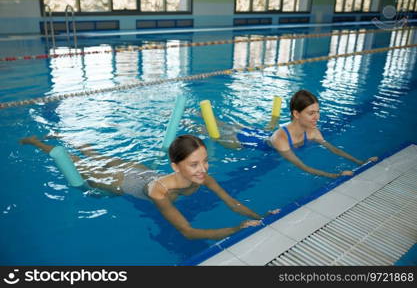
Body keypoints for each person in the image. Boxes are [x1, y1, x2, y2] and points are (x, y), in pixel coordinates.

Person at [20, 134, 279, 240]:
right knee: (80, 166)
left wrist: (261, 217)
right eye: (194, 165)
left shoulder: (203, 177)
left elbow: (231, 202)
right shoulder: (160, 192)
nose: (202, 170)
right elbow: (187, 231)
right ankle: (39, 143)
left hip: (139, 169)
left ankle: (73, 138)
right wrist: (236, 229)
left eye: (205, 162)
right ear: (176, 166)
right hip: (122, 183)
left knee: (97, 155)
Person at [206, 90, 378, 179]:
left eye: (318, 112)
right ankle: (196, 123)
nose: (317, 117)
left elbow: (334, 150)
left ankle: (218, 122)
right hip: (245, 142)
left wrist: (360, 162)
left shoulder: (313, 131)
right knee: (215, 135)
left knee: (231, 126)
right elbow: (302, 167)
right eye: (311, 113)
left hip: (262, 134)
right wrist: (335, 175)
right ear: (296, 114)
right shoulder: (281, 139)